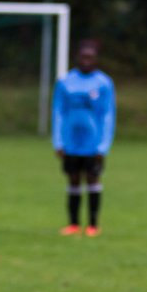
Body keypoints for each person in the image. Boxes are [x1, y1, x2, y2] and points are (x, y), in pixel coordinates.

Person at [52, 38, 115, 237]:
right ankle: (73, 223)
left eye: (91, 57)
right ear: (77, 57)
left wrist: (103, 145)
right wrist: (58, 141)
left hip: (93, 143)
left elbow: (108, 115)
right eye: (83, 56)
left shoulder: (104, 83)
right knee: (73, 180)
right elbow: (58, 113)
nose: (87, 60)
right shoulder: (65, 82)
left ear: (96, 59)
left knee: (93, 179)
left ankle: (93, 224)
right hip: (70, 143)